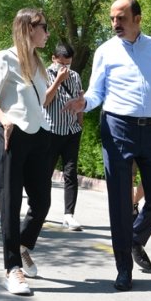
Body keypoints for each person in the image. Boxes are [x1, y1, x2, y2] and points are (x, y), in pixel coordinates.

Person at [63, 0, 151, 292]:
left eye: (121, 18)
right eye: (113, 18)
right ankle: (124, 269)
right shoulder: (105, 51)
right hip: (117, 128)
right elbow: (96, 92)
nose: (115, 23)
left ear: (137, 19)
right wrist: (83, 103)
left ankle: (135, 238)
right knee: (119, 202)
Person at [0, 8, 53, 296]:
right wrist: (4, 119)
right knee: (10, 205)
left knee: (43, 203)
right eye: (44, 28)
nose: (47, 33)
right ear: (28, 29)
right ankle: (13, 269)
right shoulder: (5, 58)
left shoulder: (39, 63)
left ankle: (22, 244)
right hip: (13, 134)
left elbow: (42, 100)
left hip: (39, 135)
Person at [43, 42, 85, 230]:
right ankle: (39, 210)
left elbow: (79, 101)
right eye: (62, 64)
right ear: (54, 59)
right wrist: (58, 80)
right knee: (44, 173)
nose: (65, 68)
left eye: (68, 64)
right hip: (51, 131)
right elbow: (44, 101)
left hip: (71, 131)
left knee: (71, 174)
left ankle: (69, 215)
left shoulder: (75, 76)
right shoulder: (44, 74)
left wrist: (80, 122)